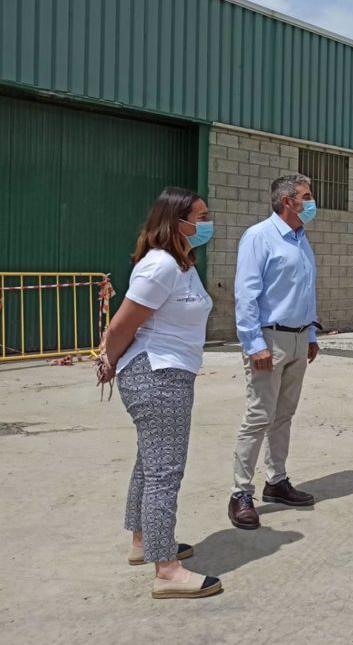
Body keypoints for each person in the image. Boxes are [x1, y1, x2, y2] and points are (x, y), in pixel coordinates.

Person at [96, 187, 222, 599]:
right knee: (165, 472)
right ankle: (166, 569)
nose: (206, 224)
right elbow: (120, 327)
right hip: (157, 375)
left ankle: (143, 541)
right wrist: (107, 361)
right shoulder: (159, 266)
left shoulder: (181, 263)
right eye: (199, 217)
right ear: (175, 222)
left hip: (170, 372)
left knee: (149, 465)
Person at [228, 174, 321, 530]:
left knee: (284, 415)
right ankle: (240, 492)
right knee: (258, 416)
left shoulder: (301, 239)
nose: (312, 203)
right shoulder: (259, 237)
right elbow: (246, 295)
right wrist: (254, 344)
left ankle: (276, 480)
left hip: (298, 339)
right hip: (270, 339)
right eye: (306, 196)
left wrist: (311, 332)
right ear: (287, 201)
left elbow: (305, 291)